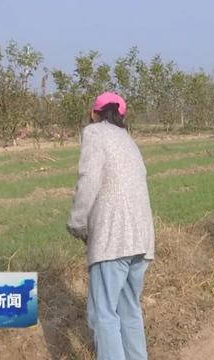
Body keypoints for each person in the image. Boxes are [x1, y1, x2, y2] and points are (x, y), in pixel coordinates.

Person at [67, 91, 155, 360]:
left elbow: (89, 180)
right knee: (129, 308)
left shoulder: (94, 133)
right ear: (121, 116)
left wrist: (77, 221)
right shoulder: (128, 139)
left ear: (95, 113)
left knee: (103, 314)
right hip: (141, 239)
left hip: (113, 238)